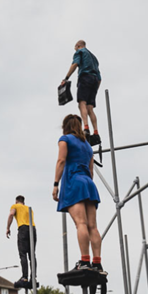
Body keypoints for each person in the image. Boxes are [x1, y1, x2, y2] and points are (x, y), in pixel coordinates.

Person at [53, 114, 105, 274]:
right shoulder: (87, 146)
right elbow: (91, 171)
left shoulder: (65, 139)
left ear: (66, 126)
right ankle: (97, 263)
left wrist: (56, 184)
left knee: (80, 224)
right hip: (88, 183)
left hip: (74, 181)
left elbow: (61, 161)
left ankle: (84, 260)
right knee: (93, 226)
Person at [61, 40, 102, 146]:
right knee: (90, 108)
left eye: (75, 47)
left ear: (78, 46)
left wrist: (66, 78)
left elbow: (75, 64)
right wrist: (95, 88)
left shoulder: (80, 52)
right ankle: (96, 132)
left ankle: (86, 128)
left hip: (85, 78)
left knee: (81, 103)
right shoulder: (94, 58)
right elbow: (100, 77)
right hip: (95, 81)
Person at [6, 195, 37, 284]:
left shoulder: (15, 206)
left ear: (16, 201)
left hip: (23, 229)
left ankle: (25, 277)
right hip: (33, 229)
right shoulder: (28, 208)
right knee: (32, 254)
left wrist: (8, 228)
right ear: (24, 202)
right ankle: (33, 277)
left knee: (23, 254)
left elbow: (11, 214)